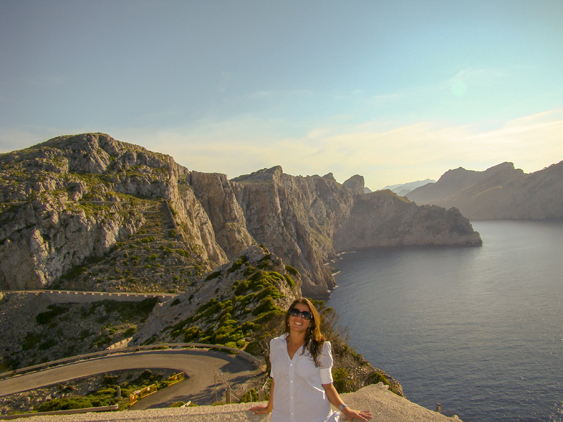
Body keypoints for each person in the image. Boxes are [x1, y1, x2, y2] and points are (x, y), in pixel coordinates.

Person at [249, 298, 373, 422]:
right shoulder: (275, 345)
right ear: (288, 317)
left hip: (315, 417)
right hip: (281, 417)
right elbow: (276, 380)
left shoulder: (320, 348)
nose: (299, 318)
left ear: (311, 323)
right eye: (295, 313)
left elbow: (328, 387)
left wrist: (345, 409)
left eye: (305, 315)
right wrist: (269, 407)